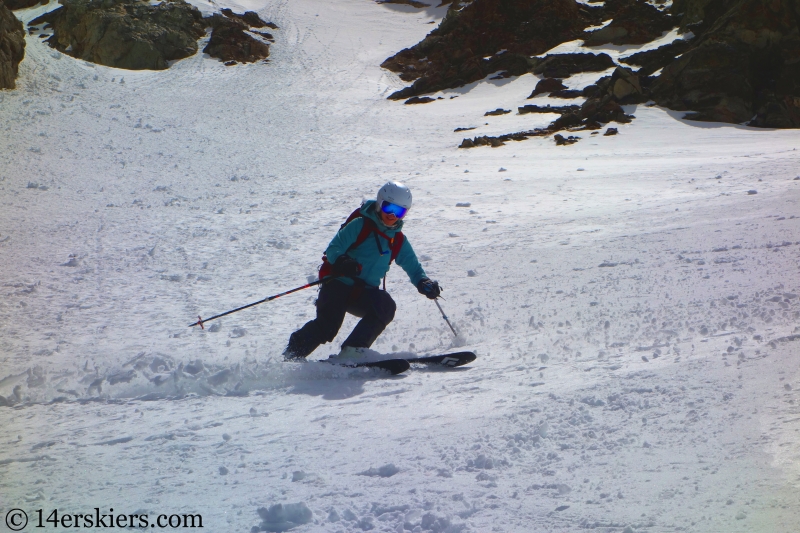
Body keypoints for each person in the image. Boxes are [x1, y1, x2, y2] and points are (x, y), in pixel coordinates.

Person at [283, 181, 441, 361]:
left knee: (385, 305)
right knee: (328, 326)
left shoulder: (397, 240)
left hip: (364, 293)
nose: (392, 215)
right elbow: (334, 249)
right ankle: (292, 355)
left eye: (399, 211)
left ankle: (353, 350)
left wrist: (423, 282)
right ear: (380, 203)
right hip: (338, 284)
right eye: (388, 207)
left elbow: (413, 267)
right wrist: (344, 261)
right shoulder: (360, 225)